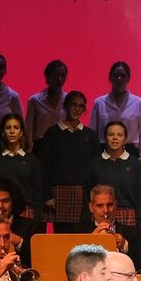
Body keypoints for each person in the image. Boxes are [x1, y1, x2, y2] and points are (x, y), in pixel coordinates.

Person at [36, 90, 97, 232]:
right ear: (66, 106)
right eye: (73, 105)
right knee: (62, 237)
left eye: (81, 106)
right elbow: (44, 166)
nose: (77, 109)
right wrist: (48, 195)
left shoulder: (90, 136)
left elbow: (94, 168)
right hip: (59, 194)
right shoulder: (53, 133)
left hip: (83, 194)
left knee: (83, 239)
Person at [86, 121, 141, 254]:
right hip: (102, 215)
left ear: (125, 138)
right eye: (111, 134)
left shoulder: (135, 164)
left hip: (128, 220)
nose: (115, 138)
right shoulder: (95, 164)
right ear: (105, 137)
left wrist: (140, 224)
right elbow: (88, 193)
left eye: (119, 135)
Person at [0, 115, 43, 233]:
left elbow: (38, 192)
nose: (12, 131)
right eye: (8, 128)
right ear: (3, 132)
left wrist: (37, 217)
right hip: (1, 211)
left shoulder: (32, 161)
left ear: (21, 132)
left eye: (16, 128)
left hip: (26, 212)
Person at [91, 61, 141, 162]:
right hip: (105, 154)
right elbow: (93, 133)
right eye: (116, 75)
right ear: (110, 77)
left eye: (123, 75)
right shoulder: (99, 103)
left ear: (128, 78)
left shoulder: (138, 103)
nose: (119, 79)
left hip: (131, 154)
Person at [87, 185, 141, 272]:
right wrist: (90, 240)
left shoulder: (133, 233)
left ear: (116, 205)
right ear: (91, 207)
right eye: (100, 206)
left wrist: (124, 246)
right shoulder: (79, 232)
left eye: (110, 205)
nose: (106, 210)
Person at [24, 60, 69, 144]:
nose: (60, 79)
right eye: (56, 75)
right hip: (41, 148)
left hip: (63, 147)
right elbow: (28, 130)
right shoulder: (35, 100)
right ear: (47, 77)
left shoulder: (69, 100)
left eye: (63, 76)